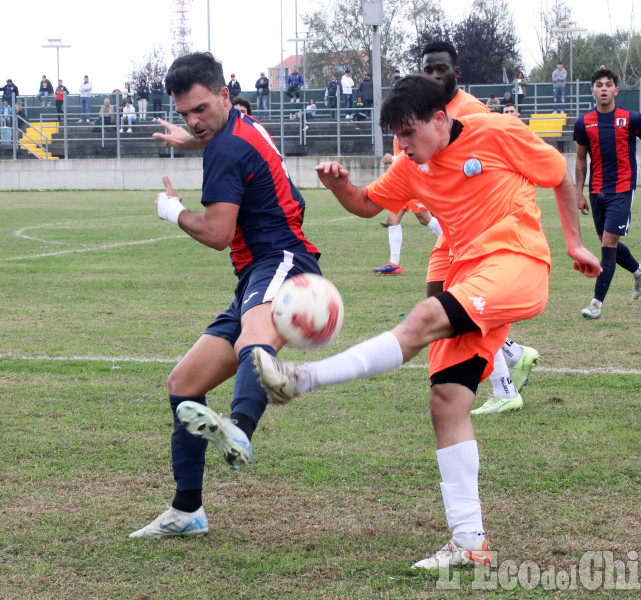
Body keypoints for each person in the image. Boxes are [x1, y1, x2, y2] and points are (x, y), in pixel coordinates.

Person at [252, 74, 601, 570]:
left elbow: (559, 176)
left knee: (420, 319)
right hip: (468, 273)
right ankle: (469, 542)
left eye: (409, 133)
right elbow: (368, 204)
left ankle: (301, 379)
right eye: (396, 136)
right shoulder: (409, 165)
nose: (403, 145)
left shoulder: (497, 131)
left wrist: (574, 243)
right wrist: (340, 187)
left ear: (441, 119)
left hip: (517, 261)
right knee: (447, 401)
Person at [130, 51, 321, 539]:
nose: (194, 122)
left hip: (282, 262)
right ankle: (187, 510)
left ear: (223, 95)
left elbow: (217, 232)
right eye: (184, 115)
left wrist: (171, 211)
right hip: (256, 274)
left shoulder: (225, 150)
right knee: (184, 383)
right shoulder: (241, 126)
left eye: (200, 110)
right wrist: (195, 141)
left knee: (251, 346)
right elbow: (232, 147)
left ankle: (238, 427)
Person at [385, 39, 542, 416]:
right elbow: (412, 169)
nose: (435, 75)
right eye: (428, 68)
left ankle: (505, 388)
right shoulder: (414, 111)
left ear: (456, 73)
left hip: (478, 232)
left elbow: (493, 163)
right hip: (450, 232)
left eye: (441, 68)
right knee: (440, 304)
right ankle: (514, 354)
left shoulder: (472, 111)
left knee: (453, 312)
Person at [573, 68, 641, 321]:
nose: (604, 89)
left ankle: (596, 303)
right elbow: (580, 160)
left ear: (616, 90)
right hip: (597, 191)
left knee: (608, 245)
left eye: (609, 84)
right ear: (593, 91)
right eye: (599, 85)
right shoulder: (583, 122)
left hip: (622, 188)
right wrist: (579, 191)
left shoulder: (631, 118)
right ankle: (638, 270)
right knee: (607, 243)